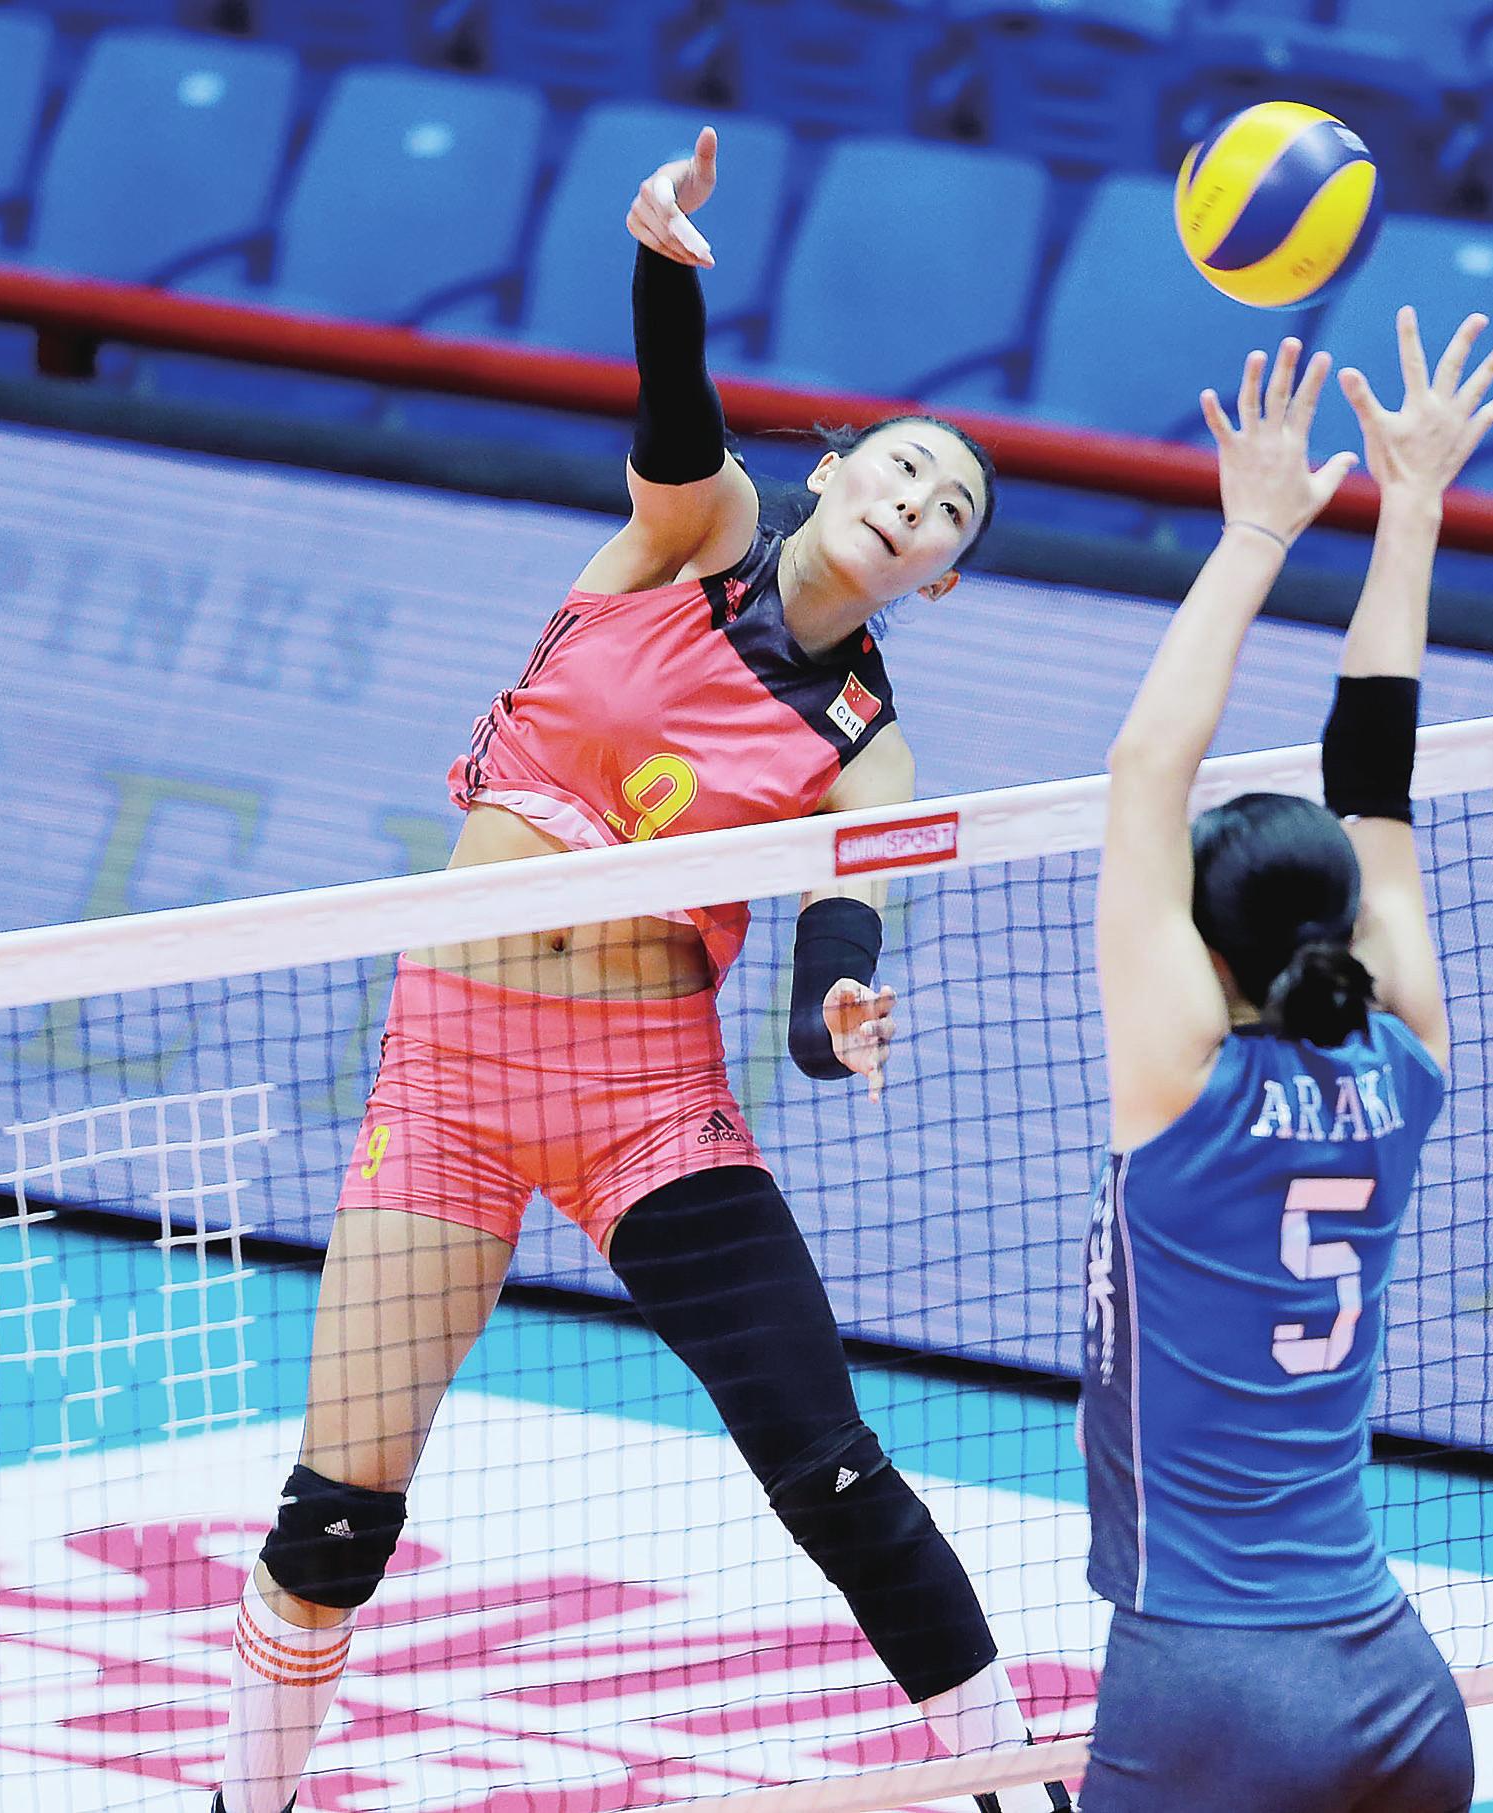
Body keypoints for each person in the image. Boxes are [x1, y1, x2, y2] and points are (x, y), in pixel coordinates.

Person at [214, 128, 1065, 1813]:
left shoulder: (867, 745)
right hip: (450, 1074)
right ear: (837, 472)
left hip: (645, 1104)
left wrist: (834, 1010)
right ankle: (247, 1800)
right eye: (902, 471)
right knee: (335, 1517)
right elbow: (676, 420)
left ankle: (1019, 1781)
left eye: (946, 514)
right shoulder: (700, 532)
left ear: (942, 575)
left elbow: (840, 920)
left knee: (829, 1469)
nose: (914, 504)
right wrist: (661, 268)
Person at [1077, 312, 1493, 1813]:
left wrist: (1258, 531)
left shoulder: (1183, 1089)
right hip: (1394, 1683)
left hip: (1208, 1682)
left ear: (1204, 951)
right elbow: (1375, 771)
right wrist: (1414, 503)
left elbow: (1145, 770)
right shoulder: (1409, 1060)